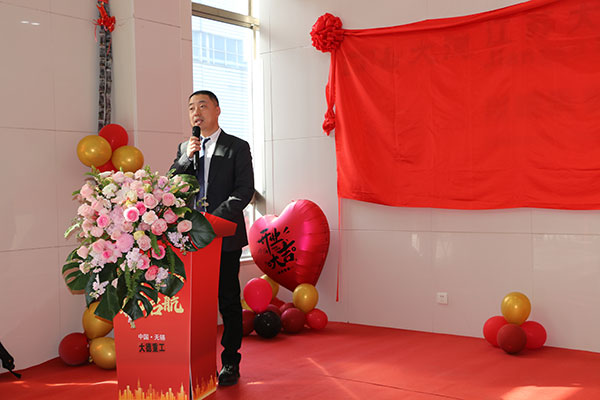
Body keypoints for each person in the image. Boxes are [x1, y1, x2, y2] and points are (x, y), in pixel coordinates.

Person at [170, 90, 254, 386]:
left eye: (202, 106)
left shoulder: (237, 147)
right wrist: (185, 158)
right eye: (191, 107)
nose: (196, 112)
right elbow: (171, 186)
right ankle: (194, 360)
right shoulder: (185, 147)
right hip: (190, 239)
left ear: (217, 110)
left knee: (227, 299)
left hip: (223, 236)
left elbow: (244, 190)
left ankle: (230, 361)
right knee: (193, 303)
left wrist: (212, 221)